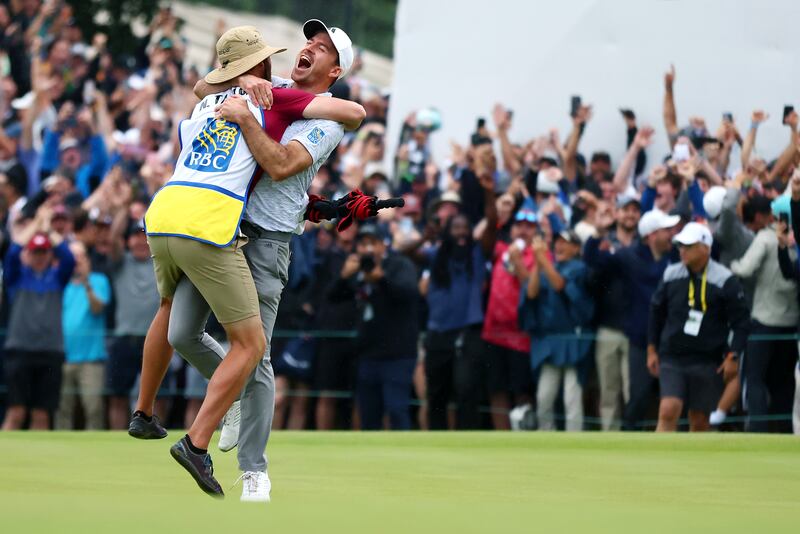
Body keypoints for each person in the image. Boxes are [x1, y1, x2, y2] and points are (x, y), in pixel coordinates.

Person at [131, 23, 365, 500]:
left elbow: (281, 163)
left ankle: (253, 469)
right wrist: (243, 81)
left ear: (334, 70)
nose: (307, 49)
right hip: (221, 229)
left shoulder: (326, 119)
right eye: (308, 42)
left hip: (266, 241)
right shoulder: (268, 88)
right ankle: (229, 401)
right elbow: (204, 85)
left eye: (321, 49)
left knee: (255, 353)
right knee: (182, 332)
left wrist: (248, 109)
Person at [420, 145, 498, 430]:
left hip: (468, 331)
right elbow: (407, 252)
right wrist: (422, 238)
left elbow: (491, 224)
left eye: (466, 228)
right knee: (437, 393)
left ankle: (468, 440)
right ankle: (437, 443)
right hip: (438, 332)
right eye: (457, 229)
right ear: (448, 232)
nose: (463, 233)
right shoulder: (436, 254)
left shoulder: (477, 254)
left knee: (466, 390)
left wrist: (489, 191)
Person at [648, 223, 749, 432]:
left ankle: (692, 464)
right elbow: (655, 313)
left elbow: (741, 322)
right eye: (680, 246)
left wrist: (733, 356)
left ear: (705, 248)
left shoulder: (725, 279)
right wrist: (651, 349)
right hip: (673, 355)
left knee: (700, 420)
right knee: (668, 409)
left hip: (707, 358)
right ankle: (656, 461)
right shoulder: (671, 274)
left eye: (688, 246)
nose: (682, 251)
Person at [584, 209, 679, 430]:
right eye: (666, 230)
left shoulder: (675, 255)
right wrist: (597, 234)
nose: (671, 234)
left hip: (671, 338)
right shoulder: (628, 256)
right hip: (640, 339)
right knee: (638, 397)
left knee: (675, 396)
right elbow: (593, 260)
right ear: (652, 235)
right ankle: (630, 439)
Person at [330, 223, 418, 429]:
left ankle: (405, 456)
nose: (368, 249)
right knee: (369, 413)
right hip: (367, 353)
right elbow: (332, 298)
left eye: (373, 243)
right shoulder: (358, 269)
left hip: (398, 353)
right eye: (363, 244)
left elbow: (409, 295)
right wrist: (343, 277)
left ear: (383, 246)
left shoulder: (399, 264)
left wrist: (382, 280)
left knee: (397, 410)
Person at [2, 208, 75, 430]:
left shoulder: (57, 278)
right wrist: (36, 223)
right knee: (16, 411)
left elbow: (68, 258)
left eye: (44, 252)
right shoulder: (17, 278)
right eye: (36, 252)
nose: (40, 256)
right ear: (29, 253)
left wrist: (48, 229)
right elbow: (13, 253)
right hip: (20, 350)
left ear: (49, 254)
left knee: (42, 413)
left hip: (50, 351)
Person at [730, 200, 798, 432]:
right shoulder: (796, 243)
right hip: (791, 325)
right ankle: (784, 431)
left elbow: (745, 269)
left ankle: (758, 431)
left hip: (764, 323)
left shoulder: (766, 238)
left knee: (755, 379)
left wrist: (731, 265)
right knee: (784, 383)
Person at [521, 230, 594, 431]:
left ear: (576, 248)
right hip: (549, 342)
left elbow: (560, 284)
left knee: (572, 397)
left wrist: (543, 260)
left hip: (574, 341)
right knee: (544, 396)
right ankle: (545, 436)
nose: (559, 246)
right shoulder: (546, 266)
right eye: (557, 242)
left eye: (566, 242)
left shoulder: (579, 269)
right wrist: (537, 263)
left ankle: (574, 439)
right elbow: (531, 292)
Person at [481, 200, 536, 430]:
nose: (523, 229)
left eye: (529, 226)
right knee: (496, 390)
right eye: (519, 225)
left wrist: (518, 262)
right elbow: (484, 237)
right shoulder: (501, 249)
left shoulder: (538, 254)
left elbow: (532, 289)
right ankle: (501, 438)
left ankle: (522, 437)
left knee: (522, 392)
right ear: (511, 229)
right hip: (494, 333)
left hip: (521, 334)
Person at [56, 241, 110, 430]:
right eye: (72, 256)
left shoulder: (99, 280)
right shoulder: (61, 282)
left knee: (93, 409)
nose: (76, 261)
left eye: (80, 256)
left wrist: (87, 282)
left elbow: (97, 308)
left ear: (87, 259)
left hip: (91, 359)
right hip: (63, 357)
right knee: (62, 410)